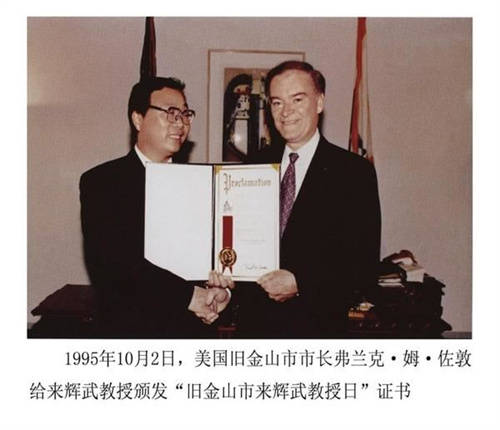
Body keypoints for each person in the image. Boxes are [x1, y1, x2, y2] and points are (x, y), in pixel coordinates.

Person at [237, 61, 381, 338]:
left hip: (315, 332)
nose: (286, 112)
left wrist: (301, 282)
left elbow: (363, 267)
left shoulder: (353, 173)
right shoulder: (253, 166)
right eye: (277, 102)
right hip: (254, 331)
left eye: (297, 99)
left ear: (319, 102)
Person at [79, 76, 231, 338]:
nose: (180, 123)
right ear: (138, 119)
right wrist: (190, 296)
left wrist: (221, 290)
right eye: (170, 113)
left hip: (192, 333)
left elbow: (213, 253)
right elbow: (115, 264)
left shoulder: (201, 182)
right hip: (131, 336)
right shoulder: (102, 182)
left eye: (185, 114)